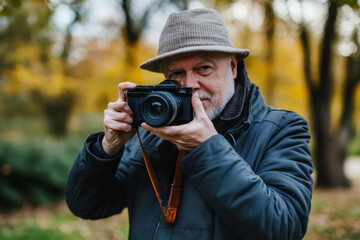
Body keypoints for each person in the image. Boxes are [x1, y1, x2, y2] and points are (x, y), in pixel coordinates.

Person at [66, 8, 313, 240]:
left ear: (233, 67)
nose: (190, 84)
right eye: (176, 74)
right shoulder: (150, 134)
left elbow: (285, 227)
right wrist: (107, 148)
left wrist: (207, 149)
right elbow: (86, 205)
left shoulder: (282, 129)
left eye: (203, 68)